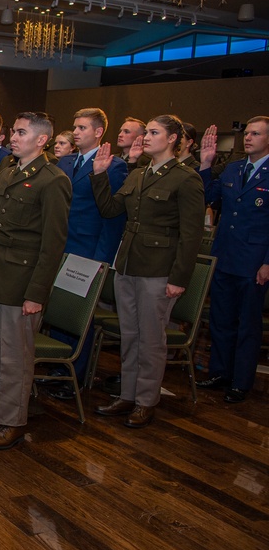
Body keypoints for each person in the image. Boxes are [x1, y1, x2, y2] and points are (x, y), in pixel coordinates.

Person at [0, 112, 71, 450]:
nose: (13, 136)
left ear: (41, 140)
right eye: (13, 131)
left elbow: (53, 245)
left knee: (15, 357)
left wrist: (36, 293)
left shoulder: (52, 180)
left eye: (21, 132)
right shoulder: (10, 172)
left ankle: (13, 420)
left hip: (23, 282)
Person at [91, 114, 205, 428]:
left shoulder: (185, 178)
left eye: (154, 132)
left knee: (151, 340)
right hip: (128, 264)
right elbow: (111, 210)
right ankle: (127, 395)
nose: (146, 137)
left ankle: (145, 401)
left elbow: (191, 234)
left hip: (158, 270)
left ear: (171, 139)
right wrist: (99, 176)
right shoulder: (138, 174)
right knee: (130, 335)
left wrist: (179, 279)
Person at [45, 109, 128, 400]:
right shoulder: (65, 161)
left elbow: (112, 217)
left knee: (80, 317)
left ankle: (74, 376)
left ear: (98, 132)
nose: (76, 132)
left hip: (88, 250)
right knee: (58, 310)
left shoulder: (113, 166)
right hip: (60, 246)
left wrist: (101, 258)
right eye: (75, 126)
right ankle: (55, 367)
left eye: (82, 127)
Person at [197, 117, 269, 403]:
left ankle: (241, 381)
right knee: (221, 319)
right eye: (247, 133)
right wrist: (205, 164)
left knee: (248, 324)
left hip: (254, 261)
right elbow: (209, 196)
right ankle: (220, 371)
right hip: (225, 256)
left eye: (256, 133)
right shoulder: (233, 167)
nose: (248, 138)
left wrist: (267, 262)